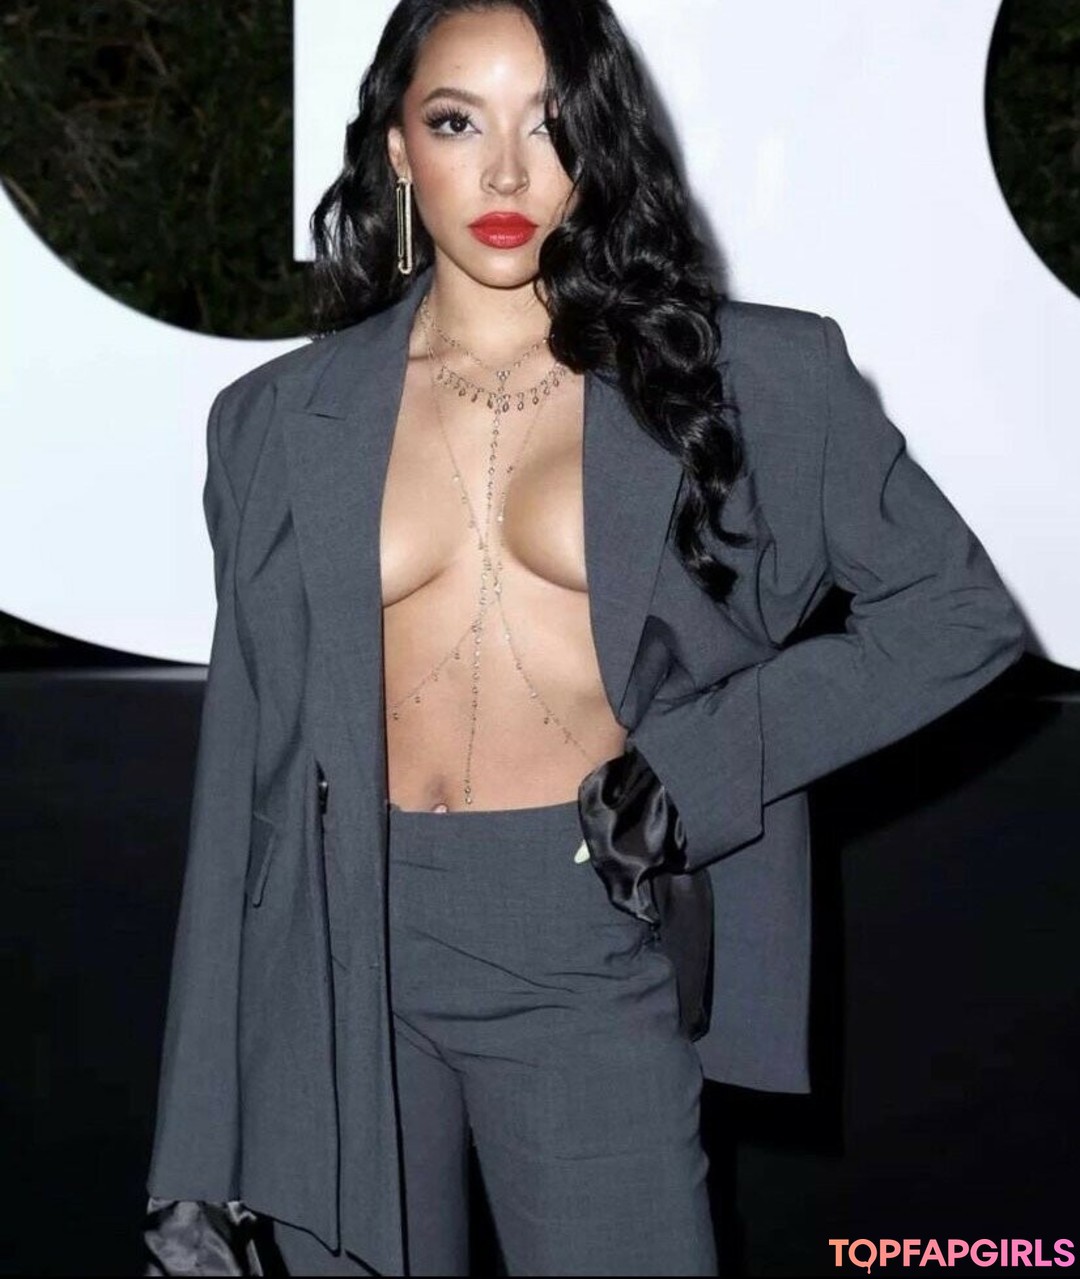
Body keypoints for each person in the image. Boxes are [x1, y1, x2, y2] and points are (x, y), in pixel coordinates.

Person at [144, 1, 1027, 1275]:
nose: (508, 174)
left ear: (600, 140)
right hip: (335, 962)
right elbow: (245, 783)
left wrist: (699, 765)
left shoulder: (748, 378)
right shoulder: (275, 419)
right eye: (459, 122)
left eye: (551, 124)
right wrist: (194, 1143)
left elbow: (955, 615)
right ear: (399, 149)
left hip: (585, 941)